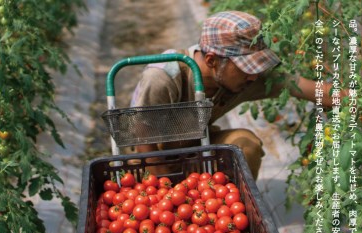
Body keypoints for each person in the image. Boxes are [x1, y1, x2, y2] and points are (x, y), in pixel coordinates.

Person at [130, 11, 339, 179]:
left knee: (245, 144)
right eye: (246, 67)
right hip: (150, 161)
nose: (254, 75)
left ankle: (232, 215)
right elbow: (144, 146)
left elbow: (311, 89)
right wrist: (172, 199)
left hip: (196, 147)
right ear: (212, 61)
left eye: (258, 66)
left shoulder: (247, 77)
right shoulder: (164, 76)